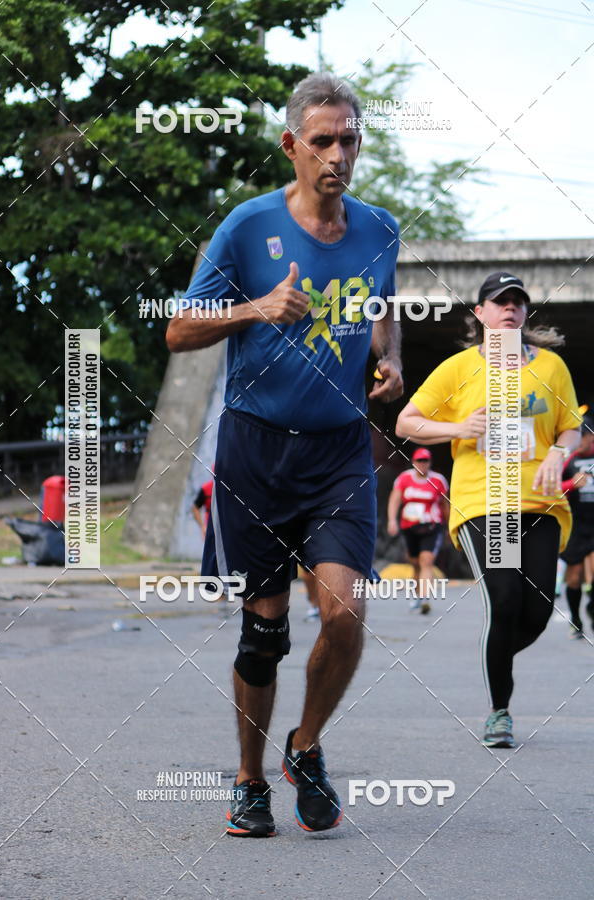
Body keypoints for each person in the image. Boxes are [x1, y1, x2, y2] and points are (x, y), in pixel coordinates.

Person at [166, 72, 403, 836]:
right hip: (256, 453)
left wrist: (389, 355)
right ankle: (248, 777)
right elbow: (178, 329)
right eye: (323, 140)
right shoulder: (246, 226)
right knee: (263, 633)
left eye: (349, 139)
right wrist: (256, 307)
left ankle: (306, 746)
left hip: (337, 452)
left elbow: (382, 305)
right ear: (292, 144)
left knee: (346, 611)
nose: (338, 154)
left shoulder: (380, 229)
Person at [395, 271, 581, 749]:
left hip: (541, 503)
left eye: (517, 301)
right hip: (486, 502)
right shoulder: (458, 369)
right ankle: (500, 711)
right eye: (500, 302)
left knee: (536, 613)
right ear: (480, 314)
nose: (510, 308)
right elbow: (406, 424)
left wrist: (560, 454)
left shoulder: (552, 367)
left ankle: (494, 654)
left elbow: (570, 427)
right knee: (504, 599)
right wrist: (458, 427)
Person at [387, 447, 449, 614]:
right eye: (419, 461)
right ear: (414, 462)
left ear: (430, 463)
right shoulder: (404, 478)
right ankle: (416, 595)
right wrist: (392, 520)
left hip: (432, 525)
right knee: (415, 563)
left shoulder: (438, 480)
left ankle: (424, 598)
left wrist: (450, 526)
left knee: (426, 561)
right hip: (410, 527)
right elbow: (395, 500)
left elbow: (445, 505)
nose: (422, 464)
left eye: (425, 461)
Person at [560, 415, 594, 638]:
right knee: (574, 577)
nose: (578, 441)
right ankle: (576, 618)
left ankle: (592, 607)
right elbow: (551, 488)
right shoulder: (567, 461)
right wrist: (571, 485)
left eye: (581, 436)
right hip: (575, 525)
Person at [192, 473, 214, 539]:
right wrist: (202, 526)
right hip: (210, 526)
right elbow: (195, 508)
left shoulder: (228, 487)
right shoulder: (206, 488)